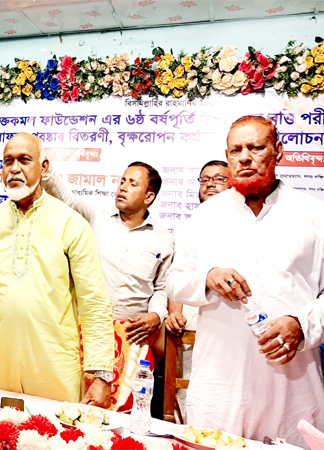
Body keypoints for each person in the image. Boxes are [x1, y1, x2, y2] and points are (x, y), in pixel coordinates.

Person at [166, 115, 324, 448]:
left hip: (293, 384)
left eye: (256, 148)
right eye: (236, 150)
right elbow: (176, 282)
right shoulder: (205, 216)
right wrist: (208, 277)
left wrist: (302, 324)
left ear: (278, 151)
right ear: (227, 157)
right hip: (221, 385)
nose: (245, 157)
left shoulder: (313, 214)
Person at [0, 133, 114, 405]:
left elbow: (93, 302)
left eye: (24, 160)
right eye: (8, 162)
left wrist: (102, 376)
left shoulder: (72, 224)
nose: (14, 169)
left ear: (44, 168)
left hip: (54, 368)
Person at [42, 162, 174, 349]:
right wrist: (45, 170)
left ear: (148, 197)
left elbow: (161, 288)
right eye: (122, 181)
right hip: (86, 329)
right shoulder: (98, 216)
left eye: (133, 184)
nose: (123, 187)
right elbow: (66, 198)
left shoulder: (164, 238)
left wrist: (156, 315)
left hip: (132, 336)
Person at [165, 160, 230, 335]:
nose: (210, 184)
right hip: (187, 323)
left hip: (228, 321)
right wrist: (175, 313)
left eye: (219, 179)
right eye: (205, 179)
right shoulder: (184, 227)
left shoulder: (246, 224)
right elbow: (178, 274)